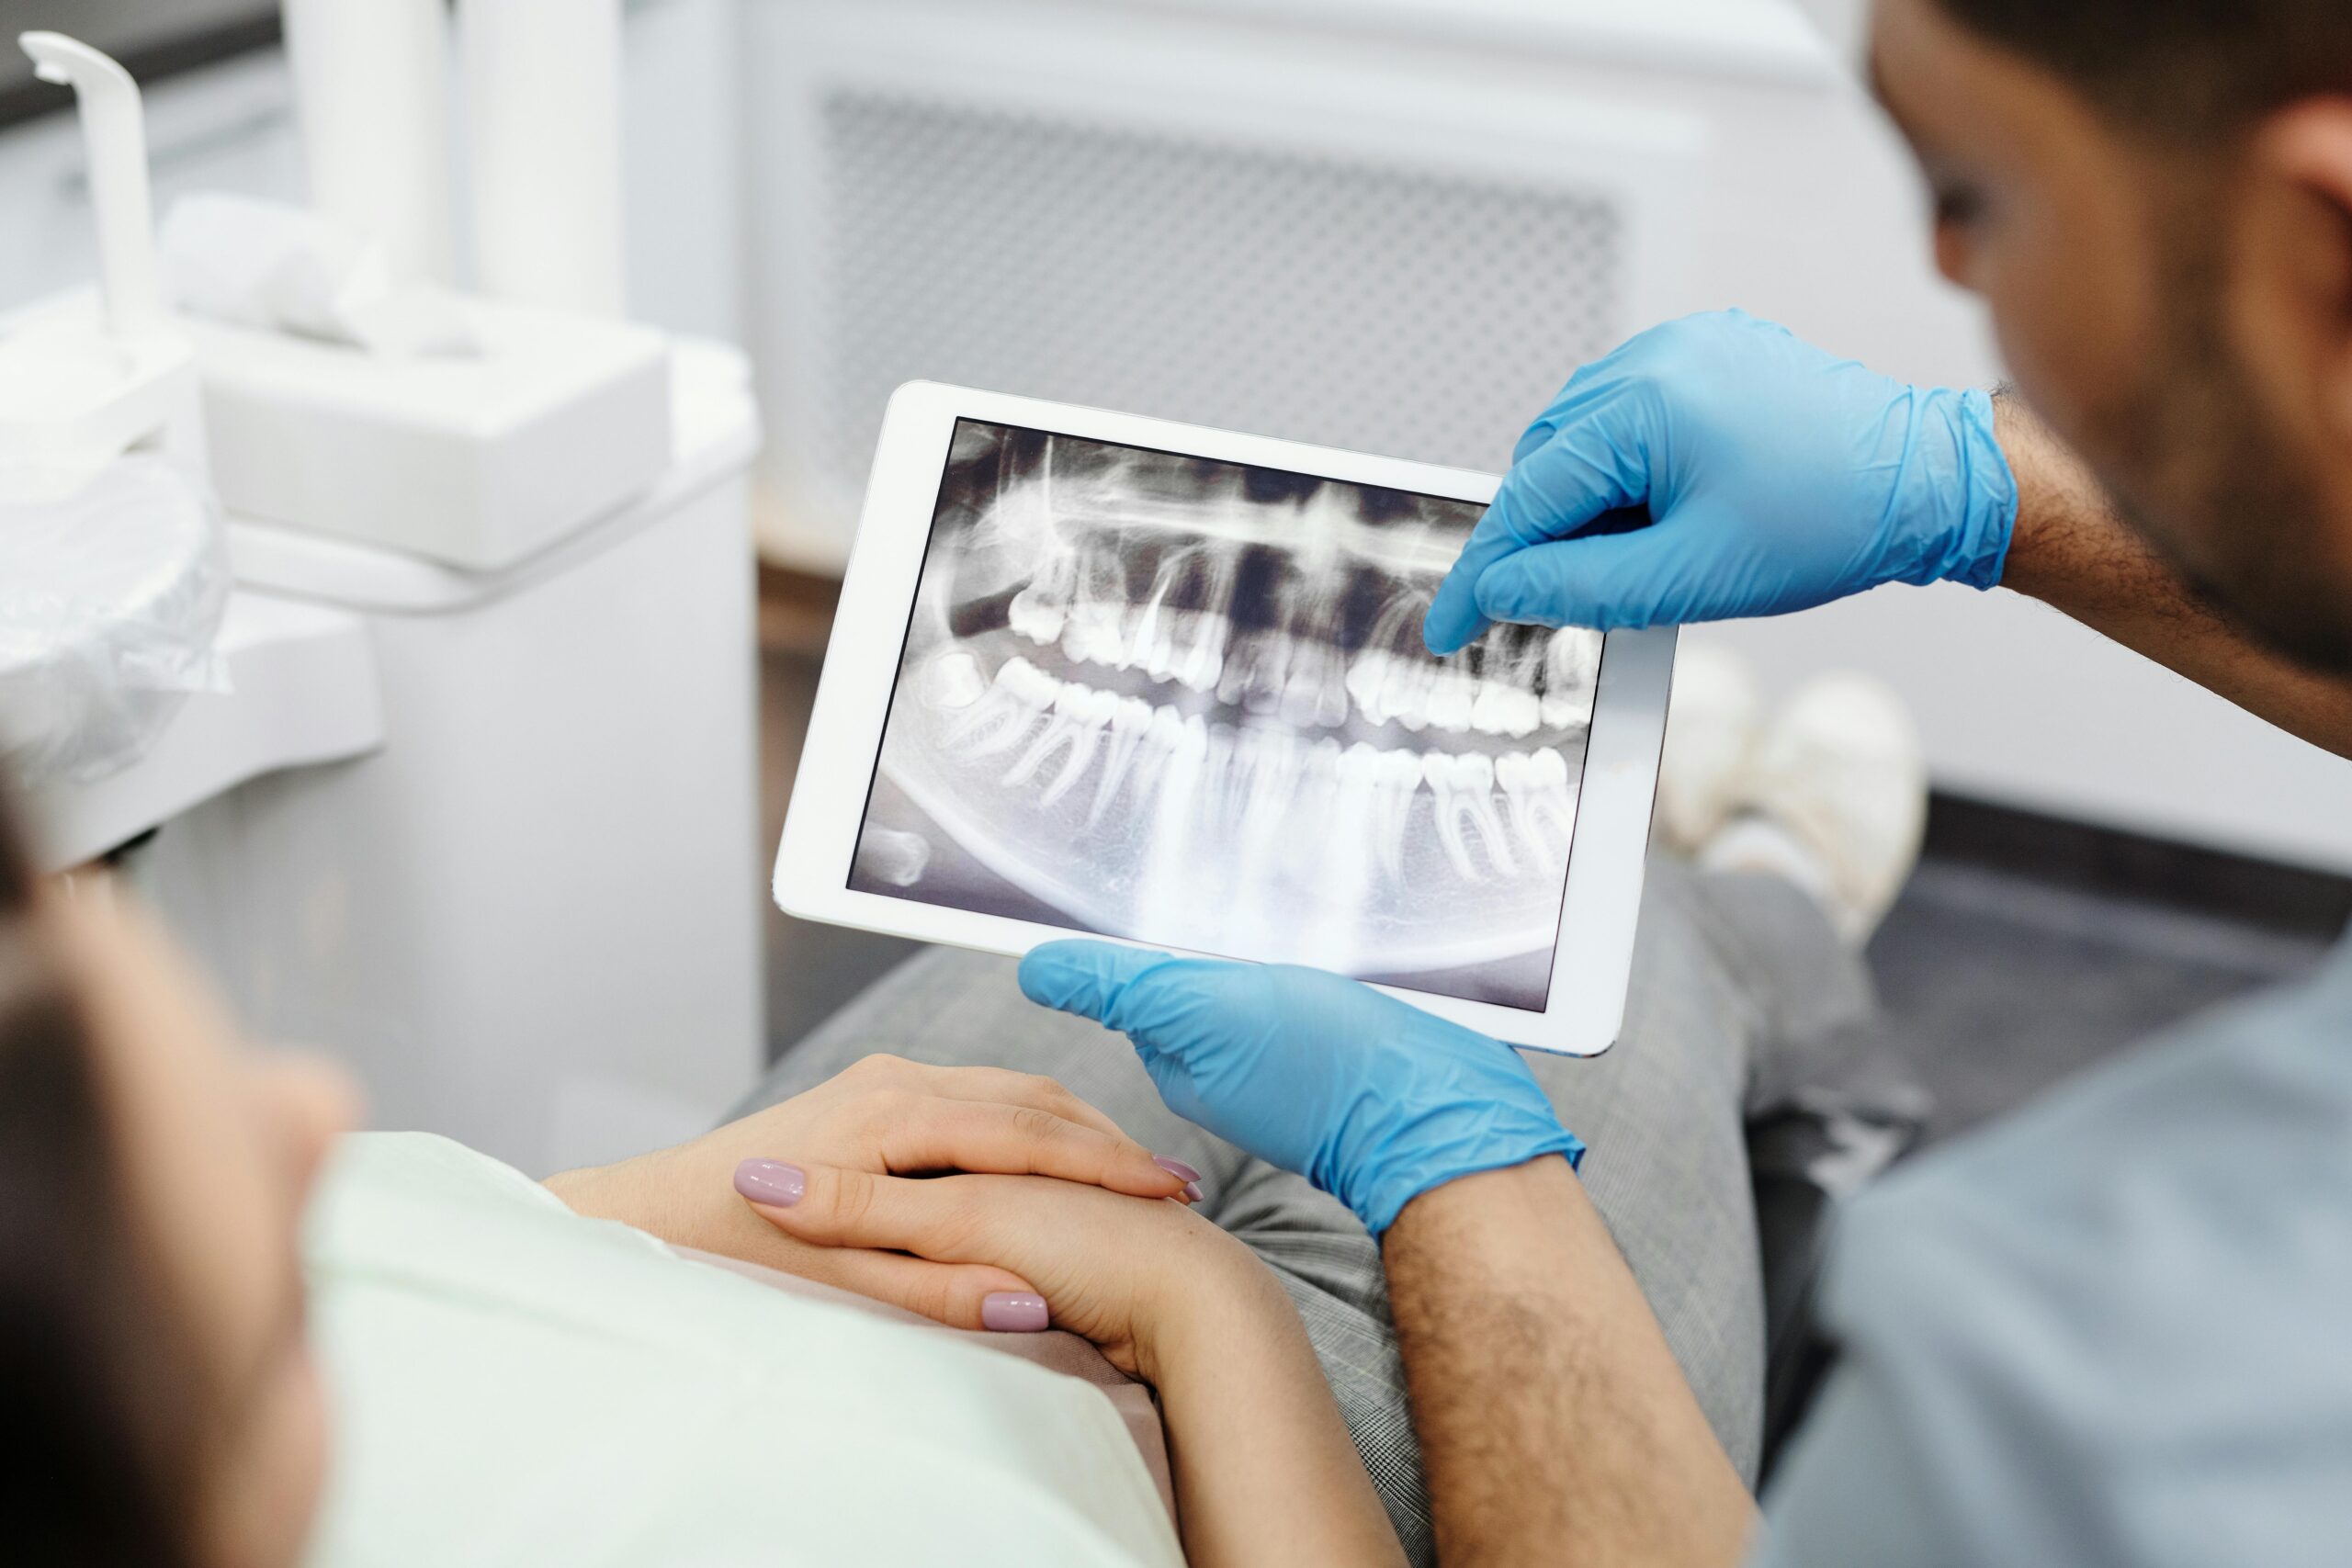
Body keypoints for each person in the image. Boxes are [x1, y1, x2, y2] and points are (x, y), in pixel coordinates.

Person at [934, 0, 2351, 1562]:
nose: (1952, 265)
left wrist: (1444, 1164)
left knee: (1627, 939)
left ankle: (1756, 892)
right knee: (1634, 936)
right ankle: (1765, 892)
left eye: (1976, 192)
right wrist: (1980, 486)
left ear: (2323, 238)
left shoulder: (2088, 1415)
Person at [0, 800, 1409, 1566]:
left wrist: (661, 1202)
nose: (319, 1113)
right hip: (1235, 1465)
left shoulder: (109, 1334)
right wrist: (1213, 1314)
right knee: (1508, 988)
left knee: (1152, 915)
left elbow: (384, 1229)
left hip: (801, 1238)